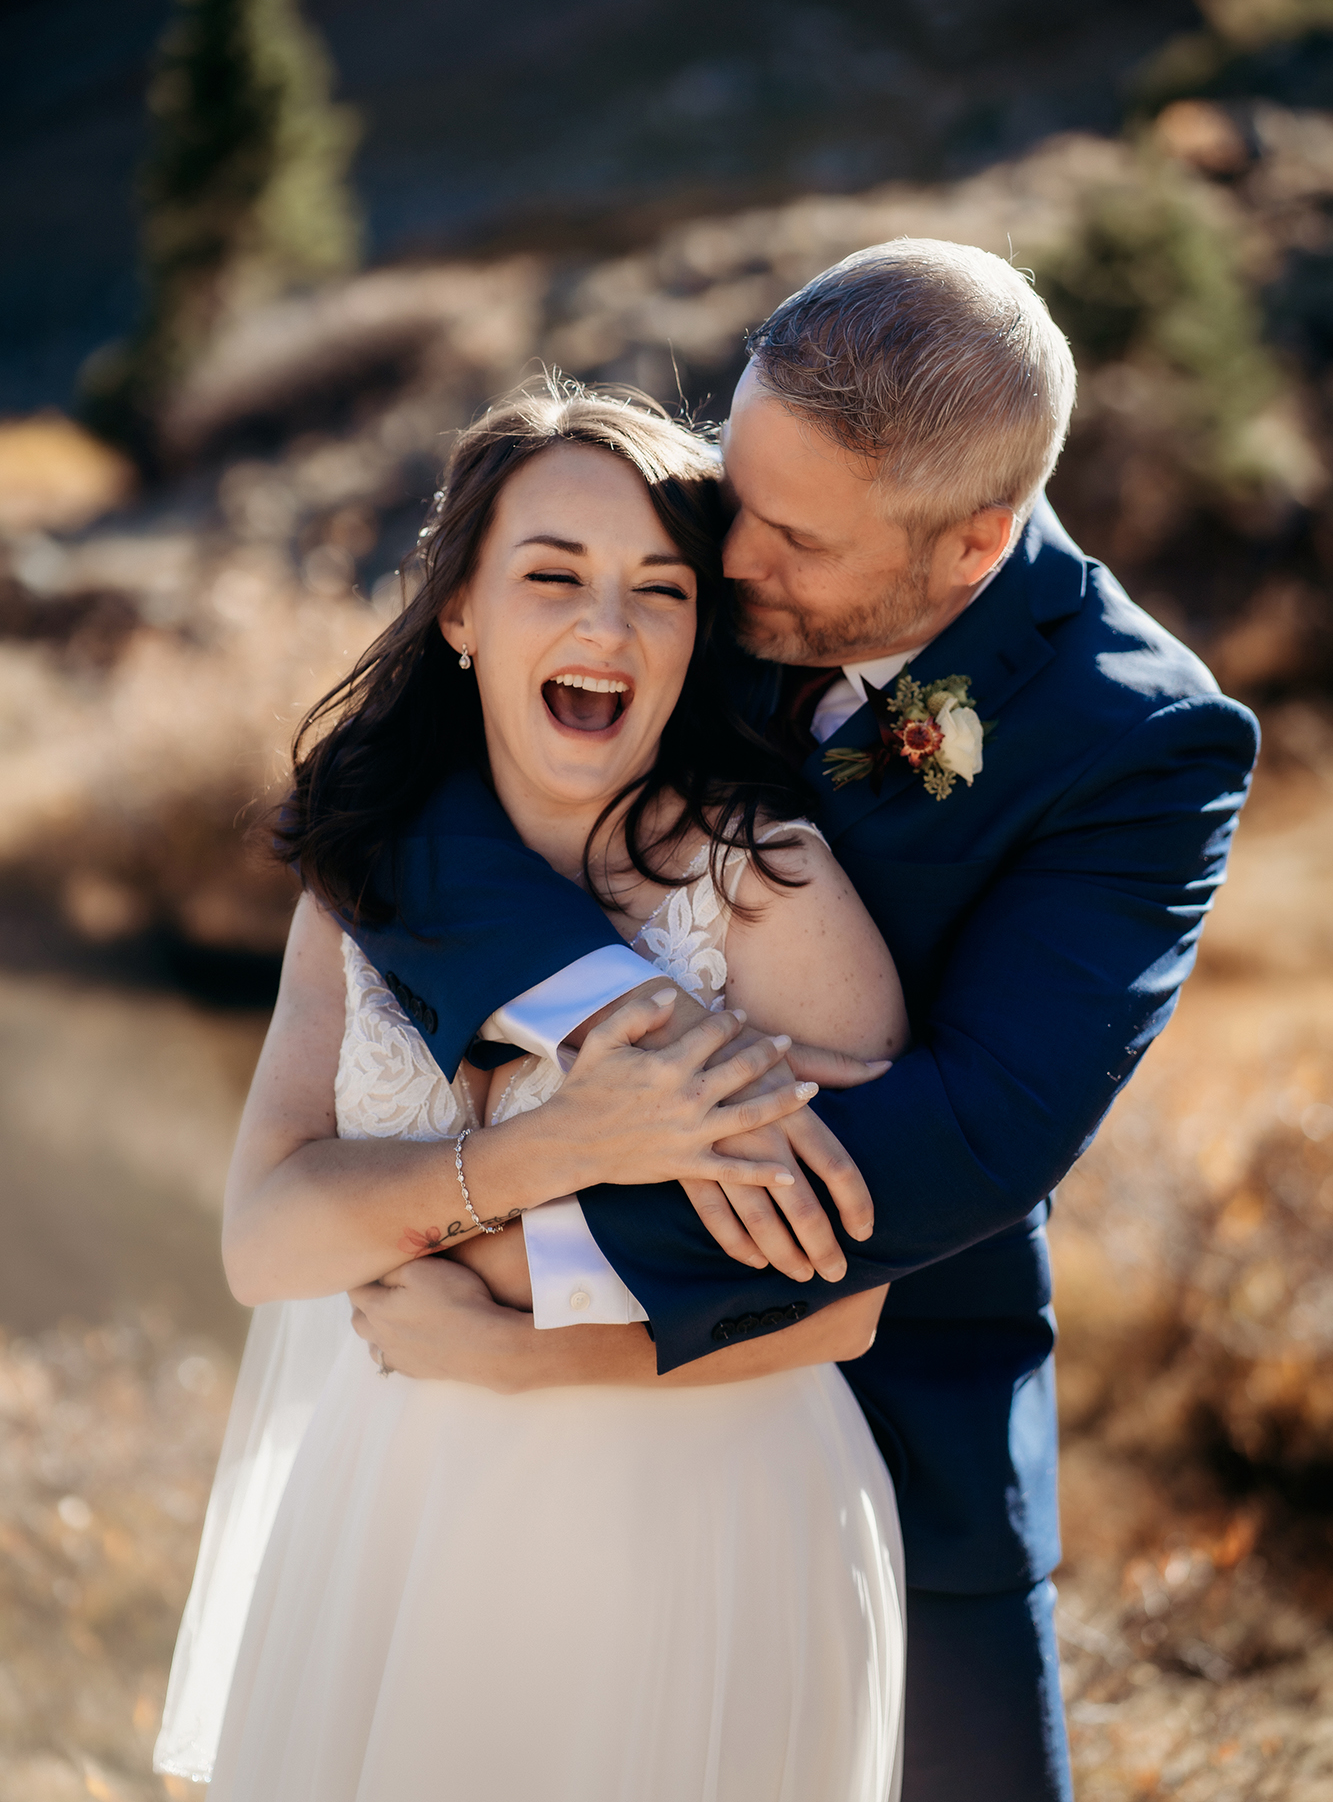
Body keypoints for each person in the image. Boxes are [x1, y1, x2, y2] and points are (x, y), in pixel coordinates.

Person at [345, 240, 1261, 1801]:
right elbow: (412, 800)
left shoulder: (1143, 744)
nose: (720, 553)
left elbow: (975, 1135)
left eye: (785, 536)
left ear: (971, 547)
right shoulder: (727, 516)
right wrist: (632, 1024)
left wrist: (532, 1267)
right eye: (731, 481)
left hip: (897, 1417)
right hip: (517, 1468)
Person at [156, 384, 910, 1799]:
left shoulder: (770, 888)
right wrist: (559, 1146)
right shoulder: (361, 888)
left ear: (698, 634)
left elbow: (848, 1297)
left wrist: (523, 1351)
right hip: (395, 1511)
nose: (603, 629)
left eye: (658, 591)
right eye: (551, 576)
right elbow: (265, 1244)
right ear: (460, 614)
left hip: (698, 1531)